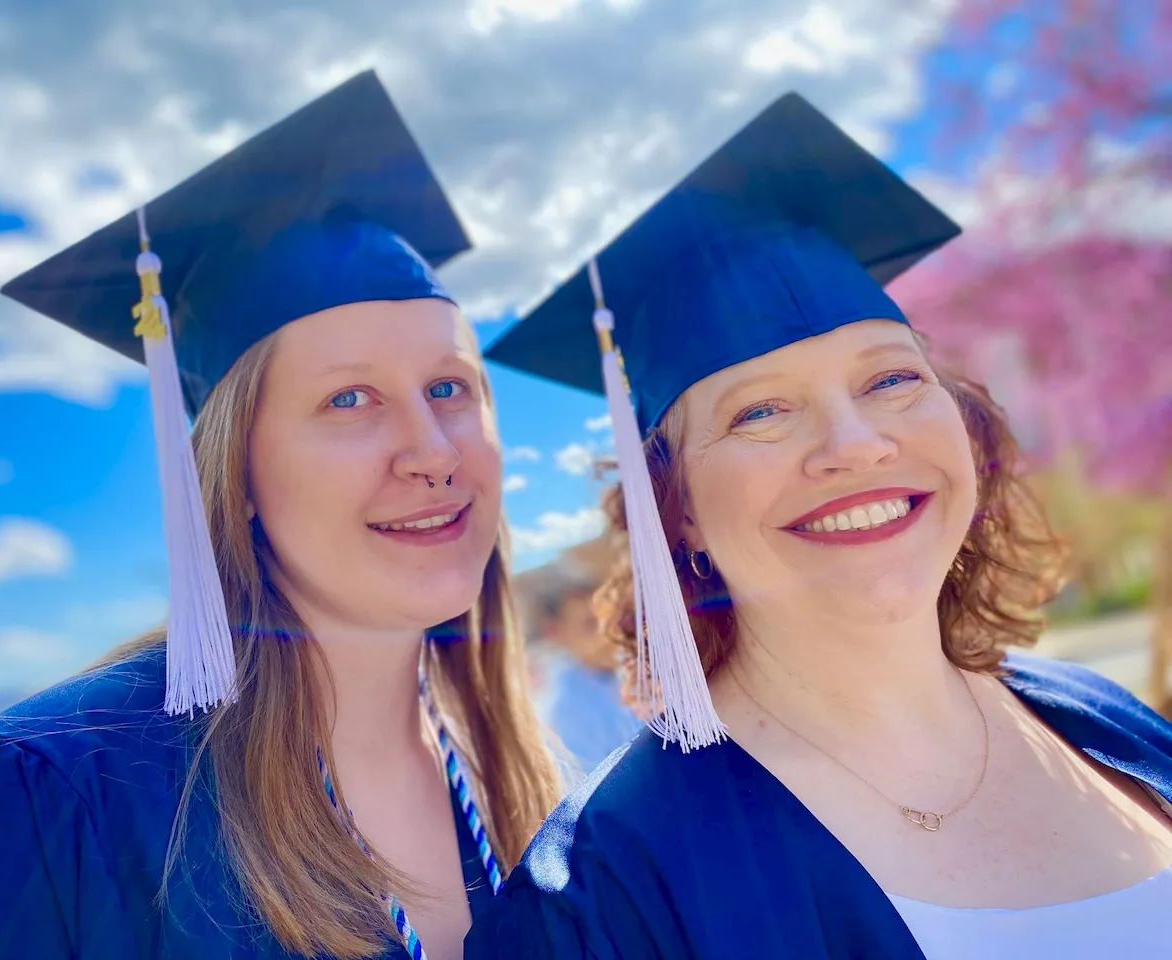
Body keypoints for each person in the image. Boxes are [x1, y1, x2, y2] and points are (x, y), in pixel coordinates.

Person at [466, 92, 1172, 959]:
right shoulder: (602, 902)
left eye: (891, 381)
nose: (857, 446)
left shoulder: (1104, 719)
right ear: (673, 510)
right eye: (761, 411)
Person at [0, 70, 560, 960]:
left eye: (450, 387)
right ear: (235, 472)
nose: (432, 449)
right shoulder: (47, 800)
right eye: (350, 399)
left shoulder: (527, 774)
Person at [525, 545, 643, 773]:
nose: (609, 632)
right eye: (590, 625)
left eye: (610, 618)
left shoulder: (638, 666)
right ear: (555, 633)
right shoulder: (566, 711)